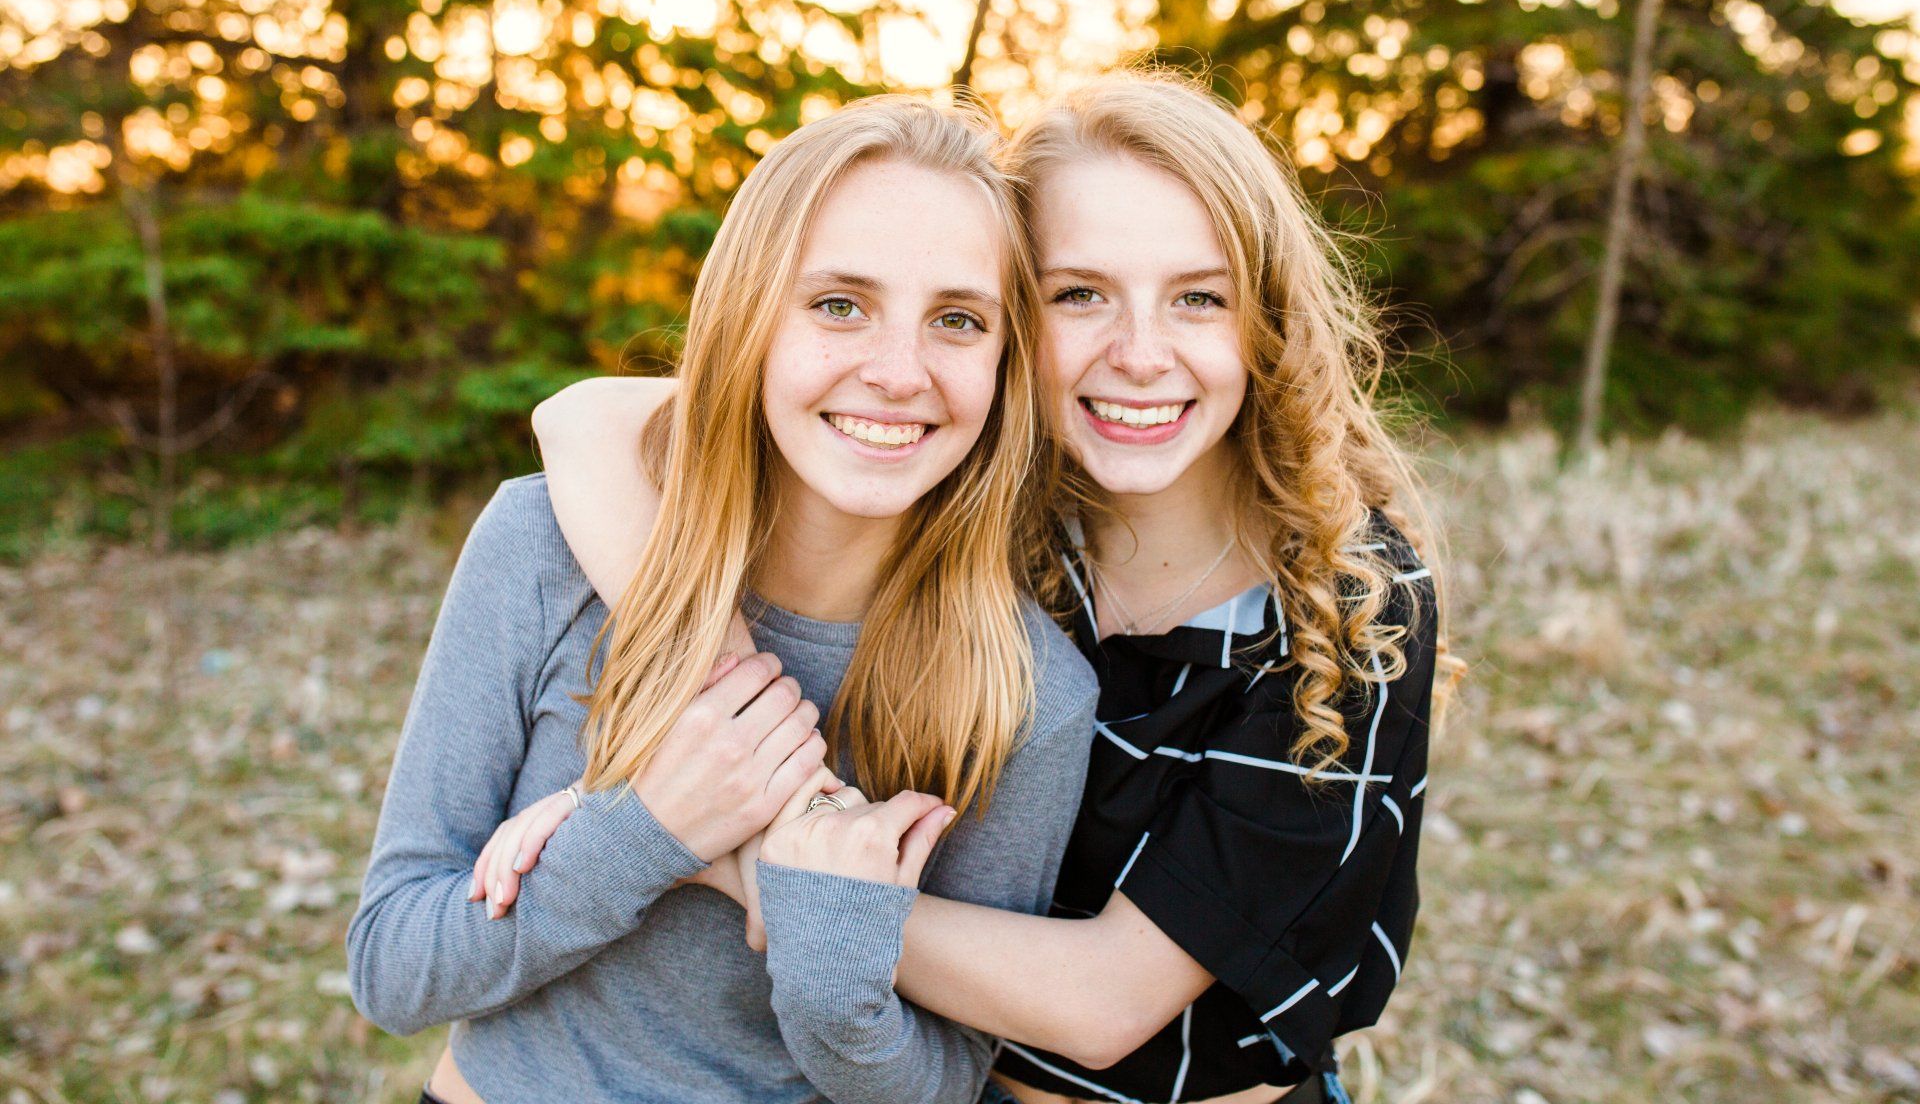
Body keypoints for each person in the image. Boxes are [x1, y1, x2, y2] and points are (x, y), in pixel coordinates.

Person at [505, 71, 1461, 1104]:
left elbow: (1106, 1001)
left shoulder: (1349, 601)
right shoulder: (987, 515)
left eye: (1199, 296)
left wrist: (746, 846)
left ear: (1266, 318)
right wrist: (758, 737)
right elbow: (589, 421)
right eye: (1079, 294)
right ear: (1008, 316)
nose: (1140, 355)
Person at [346, 95, 1099, 1104]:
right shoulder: (546, 546)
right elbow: (394, 966)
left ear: (1006, 363)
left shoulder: (1027, 690)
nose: (896, 372)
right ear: (751, 315)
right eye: (840, 303)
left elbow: (955, 1077)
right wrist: (647, 827)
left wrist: (827, 954)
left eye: (958, 320)